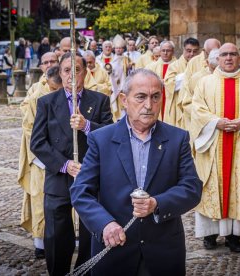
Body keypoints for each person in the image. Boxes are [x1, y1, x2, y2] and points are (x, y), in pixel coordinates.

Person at [70, 69, 202, 276]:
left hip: (163, 252)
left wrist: (157, 203)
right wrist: (105, 224)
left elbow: (191, 188)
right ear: (124, 99)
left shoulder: (178, 138)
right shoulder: (101, 139)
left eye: (155, 97)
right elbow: (80, 191)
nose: (149, 105)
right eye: (141, 97)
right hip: (114, 250)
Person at [30, 52, 113, 275]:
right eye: (67, 70)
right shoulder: (46, 102)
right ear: (60, 73)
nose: (71, 75)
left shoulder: (100, 100)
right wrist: (65, 164)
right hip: (58, 176)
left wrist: (87, 125)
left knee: (91, 230)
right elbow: (37, 142)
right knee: (57, 233)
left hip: (90, 176)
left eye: (77, 70)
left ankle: (84, 272)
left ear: (85, 72)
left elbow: (111, 136)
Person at [190, 43, 240, 253]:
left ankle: (234, 237)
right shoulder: (205, 83)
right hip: (213, 147)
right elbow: (197, 110)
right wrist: (215, 122)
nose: (228, 58)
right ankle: (209, 235)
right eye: (224, 54)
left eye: (233, 54)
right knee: (211, 188)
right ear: (217, 59)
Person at [18, 52, 59, 259]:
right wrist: (42, 151)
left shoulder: (66, 84)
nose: (50, 64)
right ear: (41, 66)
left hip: (64, 153)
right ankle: (40, 242)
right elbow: (28, 124)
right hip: (40, 155)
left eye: (53, 61)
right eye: (46, 62)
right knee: (39, 197)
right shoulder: (35, 91)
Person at [163, 37, 200, 127]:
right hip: (178, 105)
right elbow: (169, 84)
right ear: (183, 50)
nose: (191, 54)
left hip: (194, 104)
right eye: (188, 50)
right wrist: (188, 75)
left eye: (195, 51)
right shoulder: (174, 65)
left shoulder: (201, 66)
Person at [181, 49, 220, 130]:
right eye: (213, 68)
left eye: (218, 68)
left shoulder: (227, 77)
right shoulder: (196, 78)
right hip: (201, 123)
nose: (216, 72)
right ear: (207, 63)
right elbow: (187, 103)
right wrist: (205, 117)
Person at [145, 41, 176, 120]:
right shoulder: (151, 66)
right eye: (163, 50)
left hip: (173, 99)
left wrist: (167, 82)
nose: (165, 53)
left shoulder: (178, 65)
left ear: (173, 51)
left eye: (168, 51)